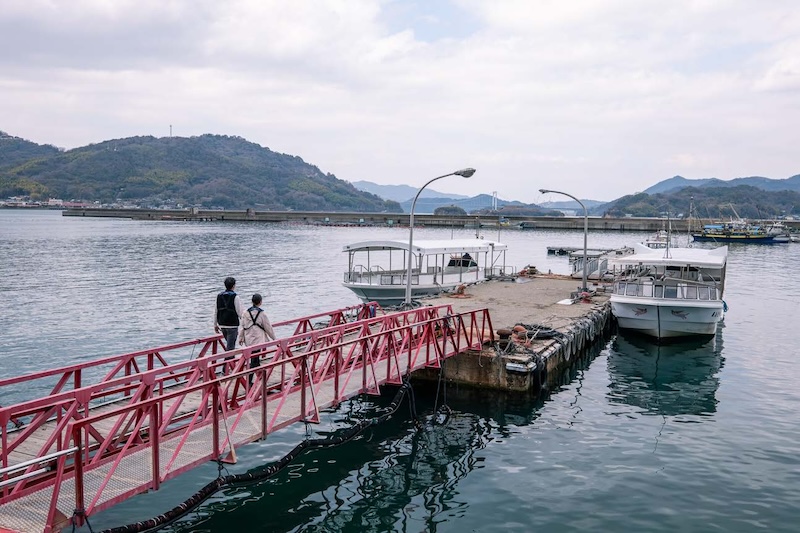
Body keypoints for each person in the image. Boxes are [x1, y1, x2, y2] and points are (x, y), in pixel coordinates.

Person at [239, 293, 276, 384]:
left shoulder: (245, 313)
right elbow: (268, 327)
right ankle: (250, 381)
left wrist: (241, 337)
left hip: (249, 339)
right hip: (258, 339)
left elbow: (242, 326)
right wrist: (274, 339)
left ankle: (260, 377)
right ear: (260, 302)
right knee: (254, 359)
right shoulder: (262, 313)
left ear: (252, 301)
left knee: (254, 358)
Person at [214, 276, 243, 352]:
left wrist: (215, 324)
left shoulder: (219, 296)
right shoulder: (235, 297)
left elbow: (216, 311)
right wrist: (245, 323)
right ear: (233, 285)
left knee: (229, 345)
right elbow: (240, 312)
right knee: (230, 348)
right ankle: (227, 360)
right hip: (232, 325)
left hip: (222, 324)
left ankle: (230, 359)